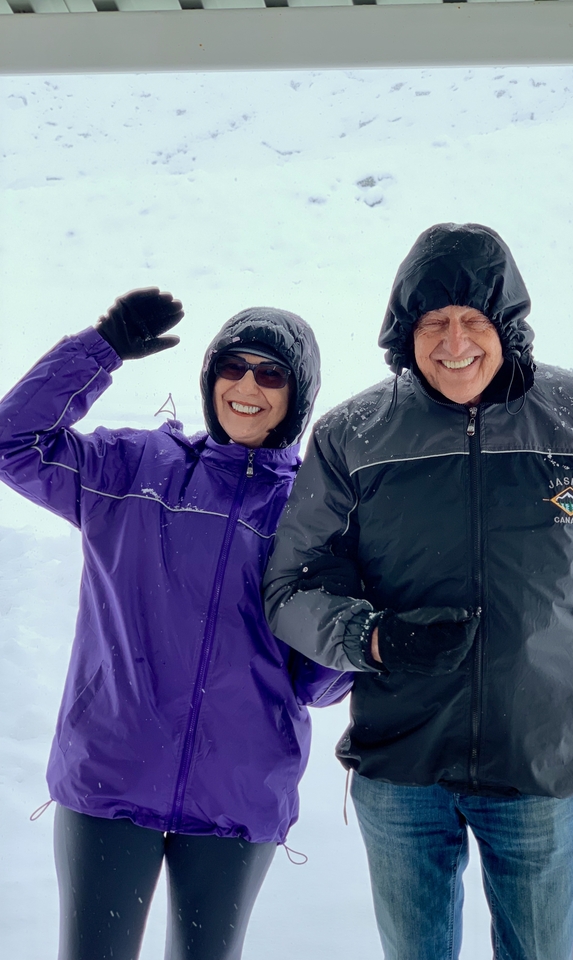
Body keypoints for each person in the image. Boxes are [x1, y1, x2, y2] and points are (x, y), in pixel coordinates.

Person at [263, 223, 573, 960]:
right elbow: (292, 586)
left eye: (474, 319)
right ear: (405, 333)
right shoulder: (353, 436)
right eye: (433, 321)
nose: (454, 340)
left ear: (509, 326)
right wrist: (372, 636)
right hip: (402, 766)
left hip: (542, 764)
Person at [0, 288, 351, 960]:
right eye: (232, 366)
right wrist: (100, 349)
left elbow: (316, 683)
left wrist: (361, 627)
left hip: (237, 795)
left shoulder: (314, 516)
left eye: (271, 373)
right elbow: (12, 442)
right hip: (110, 777)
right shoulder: (134, 471)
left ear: (298, 395)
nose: (247, 386)